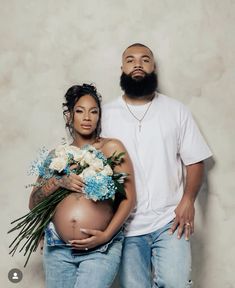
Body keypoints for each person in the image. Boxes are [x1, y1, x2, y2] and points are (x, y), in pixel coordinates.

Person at [101, 43, 213, 287]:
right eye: (130, 60)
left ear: (153, 67)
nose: (138, 64)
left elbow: (195, 161)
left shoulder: (176, 111)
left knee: (176, 283)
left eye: (145, 59)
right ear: (122, 68)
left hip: (170, 221)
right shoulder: (105, 114)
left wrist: (187, 201)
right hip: (126, 226)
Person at [28, 84, 136, 288]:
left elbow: (129, 199)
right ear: (69, 116)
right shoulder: (56, 155)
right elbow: (34, 203)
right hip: (58, 249)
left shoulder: (111, 148)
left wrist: (105, 235)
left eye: (93, 111)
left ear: (99, 117)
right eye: (80, 111)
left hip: (100, 249)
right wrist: (59, 182)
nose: (87, 117)